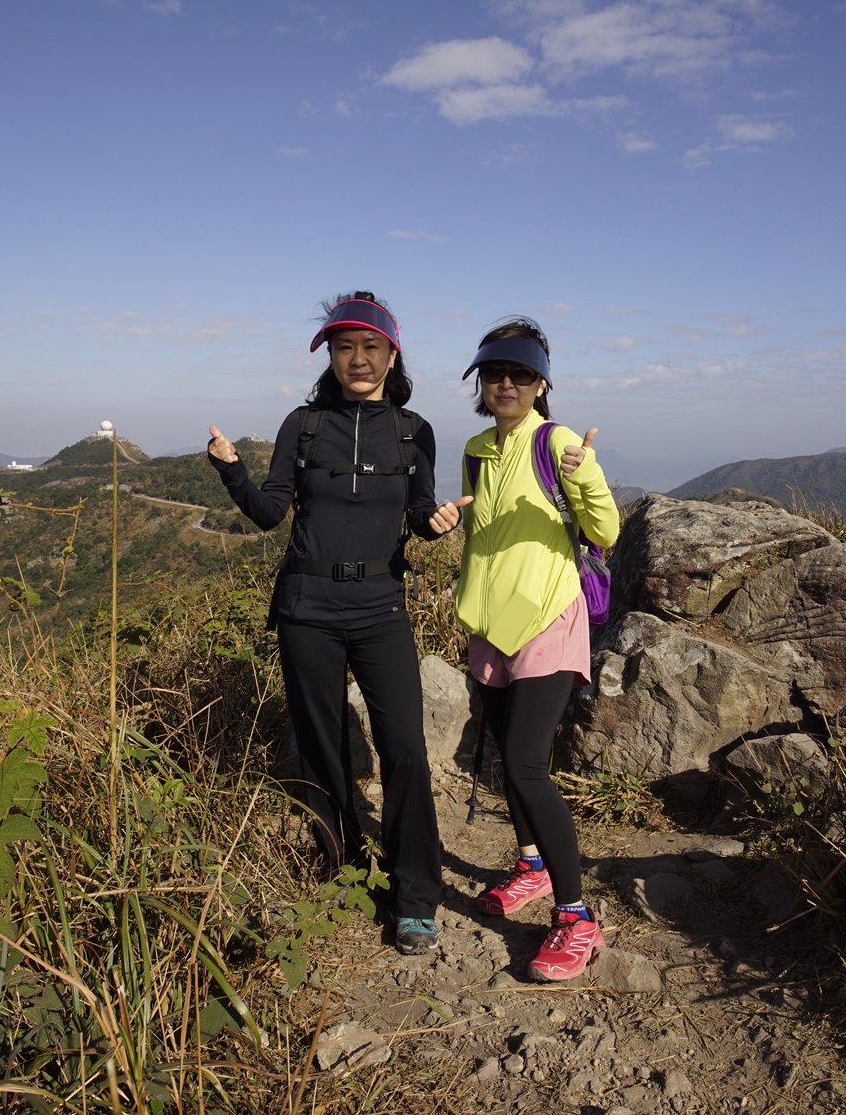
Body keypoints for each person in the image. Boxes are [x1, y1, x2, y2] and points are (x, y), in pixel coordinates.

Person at [206, 292, 469, 955]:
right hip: (308, 608)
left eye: (370, 347)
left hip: (380, 607)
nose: (357, 358)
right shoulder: (303, 425)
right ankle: (342, 868)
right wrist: (231, 471)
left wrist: (439, 523)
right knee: (321, 747)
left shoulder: (413, 432)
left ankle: (415, 896)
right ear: (330, 355)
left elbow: (418, 514)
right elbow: (270, 512)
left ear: (392, 355)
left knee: (404, 748)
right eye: (344, 347)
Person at [456, 318, 619, 982]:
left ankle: (576, 917)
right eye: (495, 373)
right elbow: (481, 534)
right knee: (506, 754)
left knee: (526, 765)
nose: (506, 384)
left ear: (541, 384)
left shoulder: (557, 443)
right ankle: (532, 864)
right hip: (489, 623)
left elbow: (605, 528)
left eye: (520, 374)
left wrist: (584, 477)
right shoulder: (476, 450)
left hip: (549, 617)